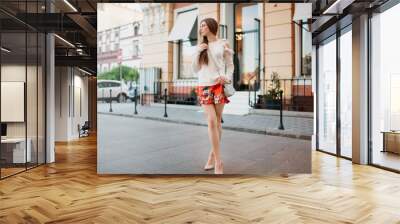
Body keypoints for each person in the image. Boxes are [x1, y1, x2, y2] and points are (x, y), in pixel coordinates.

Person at [191, 17, 235, 175]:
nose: (201, 28)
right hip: (204, 86)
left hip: (218, 86)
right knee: (211, 121)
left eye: (203, 25)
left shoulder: (223, 44)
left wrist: (227, 77)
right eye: (200, 26)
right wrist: (198, 51)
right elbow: (195, 69)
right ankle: (218, 161)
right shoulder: (201, 46)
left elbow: (230, 65)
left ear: (211, 26)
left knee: (217, 123)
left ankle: (211, 155)